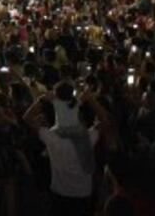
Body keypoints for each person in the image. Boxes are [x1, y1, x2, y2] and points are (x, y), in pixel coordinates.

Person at [23, 81, 102, 216]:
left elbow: (27, 117)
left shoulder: (52, 137)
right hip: (84, 193)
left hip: (60, 193)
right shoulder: (88, 136)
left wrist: (42, 99)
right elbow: (104, 120)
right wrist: (90, 100)